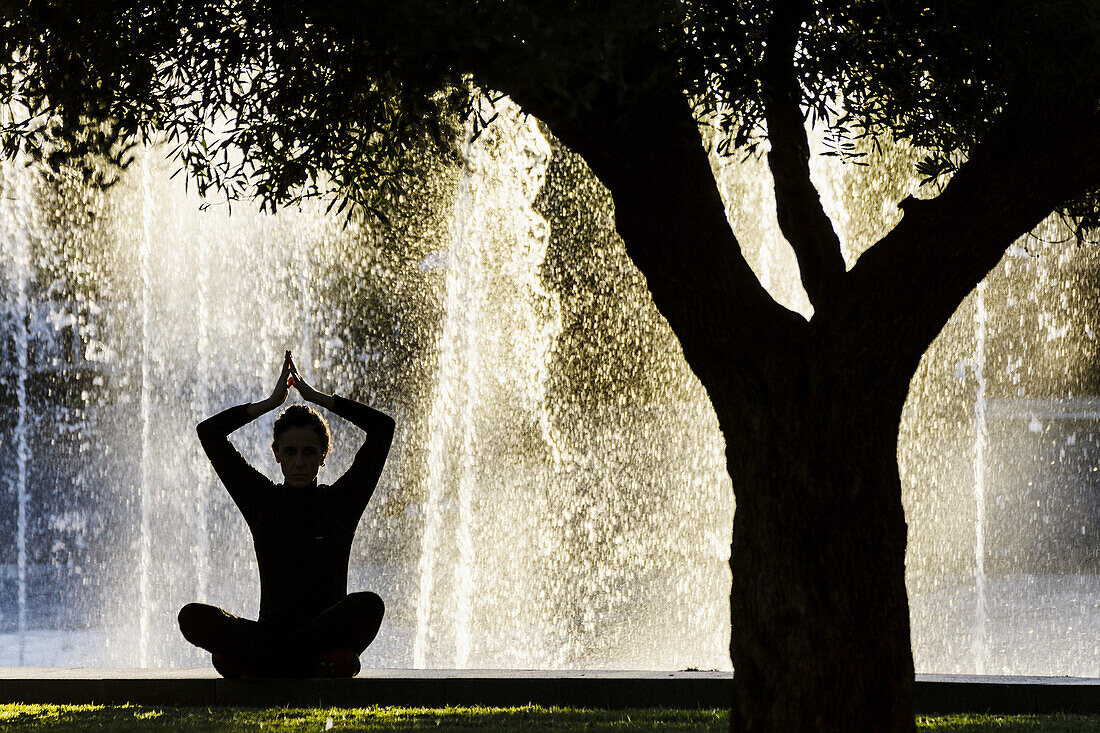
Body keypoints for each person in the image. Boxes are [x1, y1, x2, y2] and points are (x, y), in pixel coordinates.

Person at [177, 350, 394, 678]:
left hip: (307, 639)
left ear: (323, 457)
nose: (299, 462)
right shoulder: (262, 501)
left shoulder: (341, 503)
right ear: (276, 454)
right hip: (277, 639)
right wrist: (269, 403)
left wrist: (318, 398)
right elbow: (209, 433)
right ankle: (309, 663)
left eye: (309, 452)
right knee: (191, 617)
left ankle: (272, 663)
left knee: (370, 606)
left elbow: (382, 429)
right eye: (290, 452)